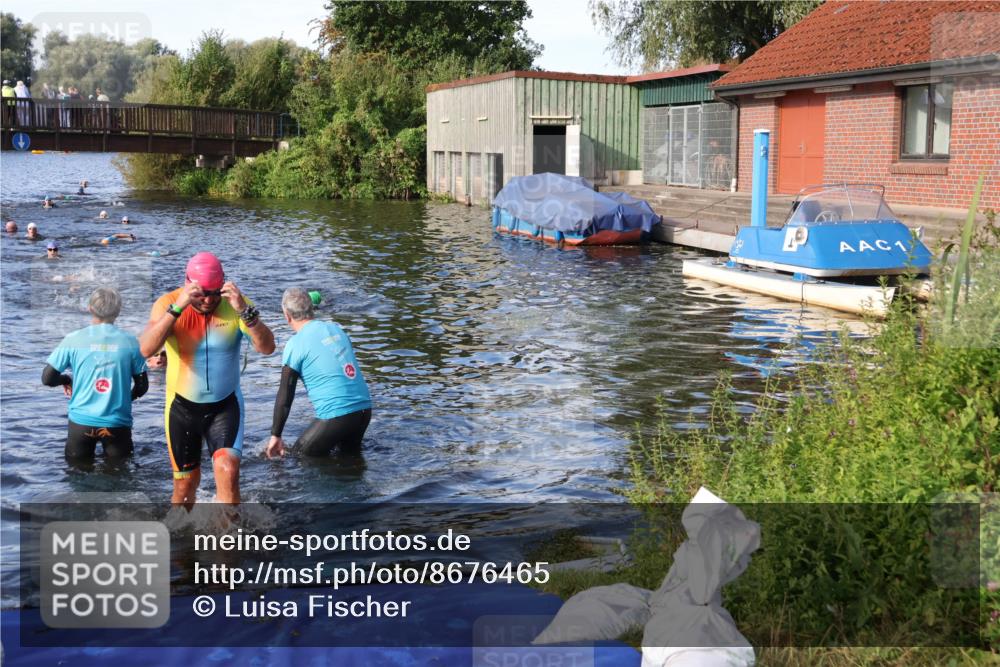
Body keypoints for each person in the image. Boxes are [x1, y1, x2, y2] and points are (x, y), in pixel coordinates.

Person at [139, 252, 275, 507]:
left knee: (227, 470)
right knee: (185, 487)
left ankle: (228, 543)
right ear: (188, 283)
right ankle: (182, 544)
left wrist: (245, 312)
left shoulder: (237, 304)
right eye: (201, 294)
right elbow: (145, 349)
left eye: (214, 293)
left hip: (225, 406)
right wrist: (177, 309)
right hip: (181, 407)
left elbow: (267, 348)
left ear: (223, 284)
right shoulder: (168, 303)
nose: (208, 300)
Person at [42, 287, 149, 462]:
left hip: (81, 423)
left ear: (90, 308)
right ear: (118, 311)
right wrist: (125, 399)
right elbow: (142, 387)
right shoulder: (131, 342)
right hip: (117, 424)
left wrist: (66, 379)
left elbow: (47, 378)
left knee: (77, 475)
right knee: (119, 477)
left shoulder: (73, 339)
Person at [267, 288, 371, 459]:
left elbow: (285, 395)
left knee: (297, 458)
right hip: (364, 411)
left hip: (337, 415)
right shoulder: (336, 329)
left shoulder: (295, 344)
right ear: (312, 309)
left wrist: (275, 435)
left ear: (287, 315)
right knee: (350, 463)